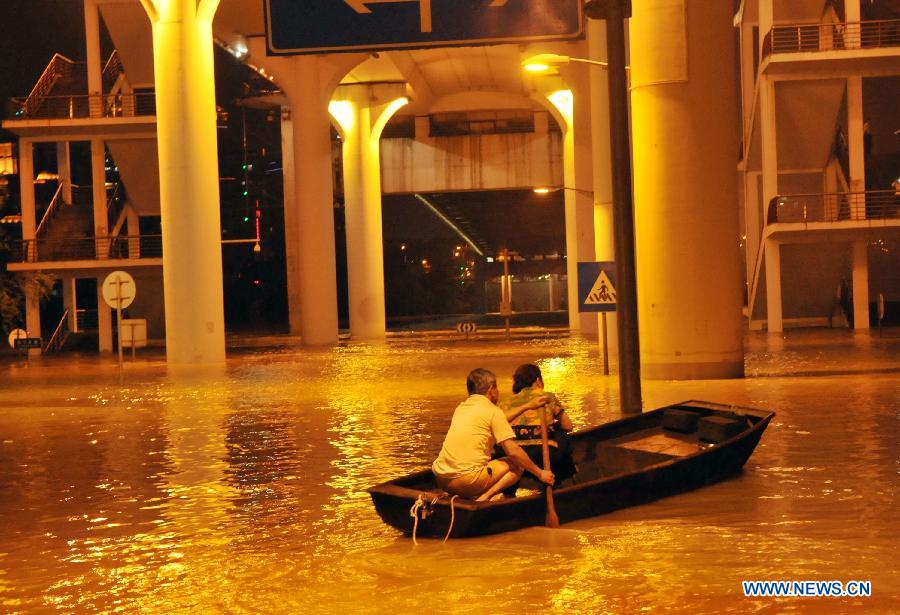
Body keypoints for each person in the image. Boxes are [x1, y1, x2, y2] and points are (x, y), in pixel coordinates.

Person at [432, 368, 554, 501]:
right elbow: (513, 452)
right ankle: (484, 498)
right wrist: (540, 473)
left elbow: (498, 418)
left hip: (442, 479)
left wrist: (527, 406)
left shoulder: (461, 408)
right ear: (491, 390)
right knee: (517, 464)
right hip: (467, 481)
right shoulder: (492, 411)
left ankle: (471, 495)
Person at [500, 364, 576, 484]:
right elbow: (568, 426)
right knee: (562, 433)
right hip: (543, 454)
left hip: (513, 456)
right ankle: (563, 476)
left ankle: (509, 493)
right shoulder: (546, 396)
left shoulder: (505, 402)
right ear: (538, 380)